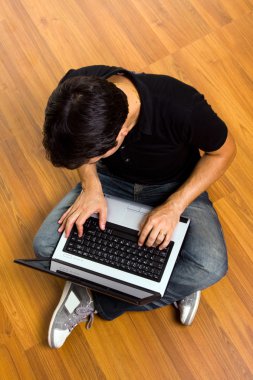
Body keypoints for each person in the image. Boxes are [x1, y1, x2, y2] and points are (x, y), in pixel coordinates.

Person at [34, 65, 236, 349]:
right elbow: (78, 151)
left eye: (91, 155)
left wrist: (174, 206)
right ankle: (167, 278)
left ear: (121, 135)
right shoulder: (74, 90)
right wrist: (91, 185)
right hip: (108, 182)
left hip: (174, 187)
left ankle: (94, 298)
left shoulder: (183, 106)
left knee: (209, 266)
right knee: (44, 247)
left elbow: (224, 151)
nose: (85, 159)